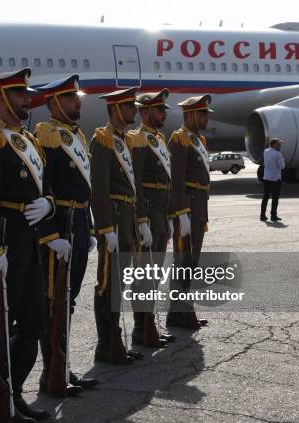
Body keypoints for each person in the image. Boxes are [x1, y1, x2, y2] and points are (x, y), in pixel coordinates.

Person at [0, 68, 56, 421]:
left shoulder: (30, 140)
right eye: (19, 94)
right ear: (0, 98)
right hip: (7, 244)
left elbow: (47, 187)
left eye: (26, 94)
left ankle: (14, 393)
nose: (27, 99)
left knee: (33, 325)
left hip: (32, 241)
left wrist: (50, 205)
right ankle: (0, 400)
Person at [34, 75, 99, 396]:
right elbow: (42, 188)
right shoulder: (46, 135)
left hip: (79, 222)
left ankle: (63, 365)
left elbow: (83, 188)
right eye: (73, 98)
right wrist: (49, 234)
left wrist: (90, 227)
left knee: (68, 300)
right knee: (54, 300)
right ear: (55, 102)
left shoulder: (75, 136)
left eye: (78, 97)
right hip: (60, 223)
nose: (79, 102)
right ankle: (52, 371)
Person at [90, 87, 143, 365]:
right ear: (115, 110)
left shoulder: (124, 141)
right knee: (107, 285)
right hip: (114, 221)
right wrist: (105, 228)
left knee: (120, 284)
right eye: (129, 107)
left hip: (127, 221)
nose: (134, 111)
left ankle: (116, 342)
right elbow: (98, 189)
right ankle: (105, 343)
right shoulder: (103, 140)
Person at [126, 89, 176, 347]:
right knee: (144, 274)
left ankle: (150, 326)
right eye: (158, 109)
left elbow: (165, 181)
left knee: (154, 274)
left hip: (160, 212)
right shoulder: (137, 139)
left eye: (163, 109)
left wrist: (168, 215)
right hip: (148, 211)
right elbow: (136, 182)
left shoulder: (159, 138)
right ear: (144, 112)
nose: (163, 114)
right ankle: (141, 329)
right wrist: (141, 218)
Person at [166, 95, 212, 330]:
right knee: (183, 260)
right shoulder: (180, 138)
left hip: (199, 205)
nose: (206, 117)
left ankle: (182, 310)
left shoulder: (199, 140)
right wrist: (181, 210)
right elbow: (177, 178)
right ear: (191, 115)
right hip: (189, 205)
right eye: (203, 113)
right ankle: (179, 313)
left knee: (191, 261)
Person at [261, 138, 285, 222]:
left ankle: (262, 215)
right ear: (274, 145)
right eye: (278, 144)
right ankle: (273, 215)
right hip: (275, 178)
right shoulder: (278, 154)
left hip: (266, 177)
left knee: (265, 197)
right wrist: (282, 159)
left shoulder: (266, 151)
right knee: (275, 198)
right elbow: (282, 166)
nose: (280, 146)